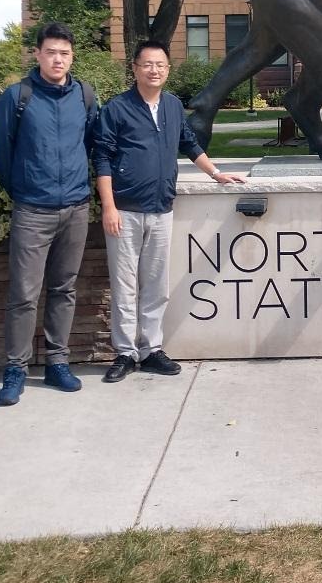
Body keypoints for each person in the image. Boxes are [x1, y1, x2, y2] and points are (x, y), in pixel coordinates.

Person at [95, 41, 246, 382]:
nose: (154, 70)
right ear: (134, 68)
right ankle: (124, 353)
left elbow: (189, 143)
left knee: (156, 284)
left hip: (161, 208)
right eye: (147, 64)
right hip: (125, 210)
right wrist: (109, 206)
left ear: (167, 69)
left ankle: (151, 349)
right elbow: (102, 157)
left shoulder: (173, 106)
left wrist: (216, 173)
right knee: (124, 285)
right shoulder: (117, 109)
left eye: (160, 64)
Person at [0, 22, 99, 405]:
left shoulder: (84, 94)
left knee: (64, 289)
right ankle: (16, 369)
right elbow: (1, 151)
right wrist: (22, 187)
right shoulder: (18, 96)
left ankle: (57, 363)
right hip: (33, 210)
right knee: (23, 293)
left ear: (72, 56)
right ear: (37, 54)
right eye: (51, 52)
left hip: (75, 208)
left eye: (64, 53)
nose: (58, 59)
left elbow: (92, 143)